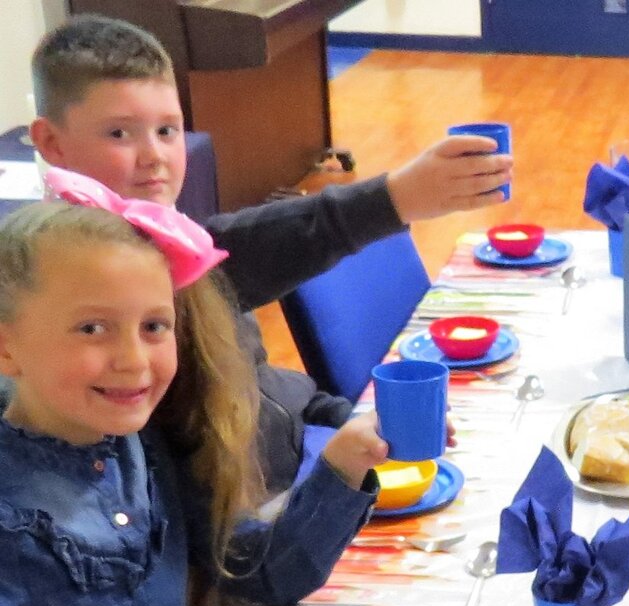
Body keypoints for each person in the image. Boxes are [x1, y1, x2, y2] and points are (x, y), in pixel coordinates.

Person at [0, 178, 387, 606]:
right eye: (93, 328)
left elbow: (254, 573)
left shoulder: (138, 443)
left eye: (154, 325)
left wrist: (340, 469)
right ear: (6, 349)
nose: (133, 359)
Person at [27, 15, 511, 494]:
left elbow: (263, 385)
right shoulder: (82, 287)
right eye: (119, 133)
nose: (153, 155)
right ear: (51, 142)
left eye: (168, 130)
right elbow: (249, 252)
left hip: (307, 464)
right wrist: (393, 198)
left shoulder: (176, 240)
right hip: (271, 520)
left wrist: (340, 418)